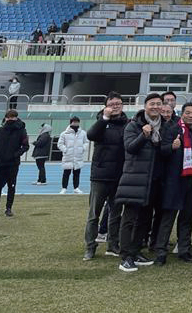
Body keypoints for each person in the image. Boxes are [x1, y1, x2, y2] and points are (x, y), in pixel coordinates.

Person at [115, 93, 165, 272]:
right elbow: (130, 148)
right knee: (129, 218)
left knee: (144, 219)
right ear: (145, 106)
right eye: (152, 104)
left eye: (158, 104)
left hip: (153, 180)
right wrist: (143, 136)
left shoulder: (163, 126)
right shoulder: (133, 125)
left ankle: (136, 251)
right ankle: (126, 256)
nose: (155, 107)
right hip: (135, 179)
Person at [156, 102, 192, 265]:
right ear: (182, 113)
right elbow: (162, 151)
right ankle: (161, 252)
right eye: (188, 112)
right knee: (168, 217)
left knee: (187, 217)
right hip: (174, 180)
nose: (191, 115)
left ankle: (184, 250)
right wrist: (172, 146)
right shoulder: (173, 129)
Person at [84, 92, 127, 260]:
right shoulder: (101, 123)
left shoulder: (127, 123)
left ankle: (113, 244)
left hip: (119, 175)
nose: (115, 106)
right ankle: (90, 246)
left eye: (118, 103)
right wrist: (104, 118)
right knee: (94, 214)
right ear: (106, 106)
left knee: (116, 213)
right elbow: (91, 135)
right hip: (100, 175)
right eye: (112, 103)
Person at [0, 109, 29, 218]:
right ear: (5, 118)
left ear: (16, 118)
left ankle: (8, 208)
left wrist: (15, 154)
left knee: (11, 186)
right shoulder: (0, 130)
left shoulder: (21, 131)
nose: (10, 119)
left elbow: (25, 146)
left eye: (13, 117)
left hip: (13, 163)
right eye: (9, 117)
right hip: (0, 163)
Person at [58, 117, 88, 194]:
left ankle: (76, 188)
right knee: (66, 173)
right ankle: (64, 188)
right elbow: (60, 144)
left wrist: (82, 149)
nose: (76, 123)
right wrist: (65, 150)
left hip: (78, 156)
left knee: (77, 173)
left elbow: (86, 142)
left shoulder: (83, 133)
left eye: (77, 122)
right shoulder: (64, 133)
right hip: (68, 156)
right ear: (71, 122)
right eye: (74, 122)